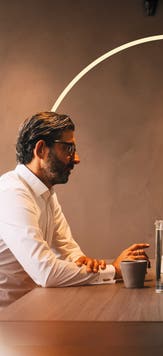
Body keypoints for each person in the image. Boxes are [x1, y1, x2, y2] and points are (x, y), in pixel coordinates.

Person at [0, 112, 150, 309]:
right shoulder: (11, 193)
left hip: (32, 313)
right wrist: (114, 270)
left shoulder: (47, 193)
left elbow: (69, 252)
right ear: (41, 149)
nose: (76, 158)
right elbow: (46, 272)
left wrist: (85, 263)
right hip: (8, 324)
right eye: (68, 148)